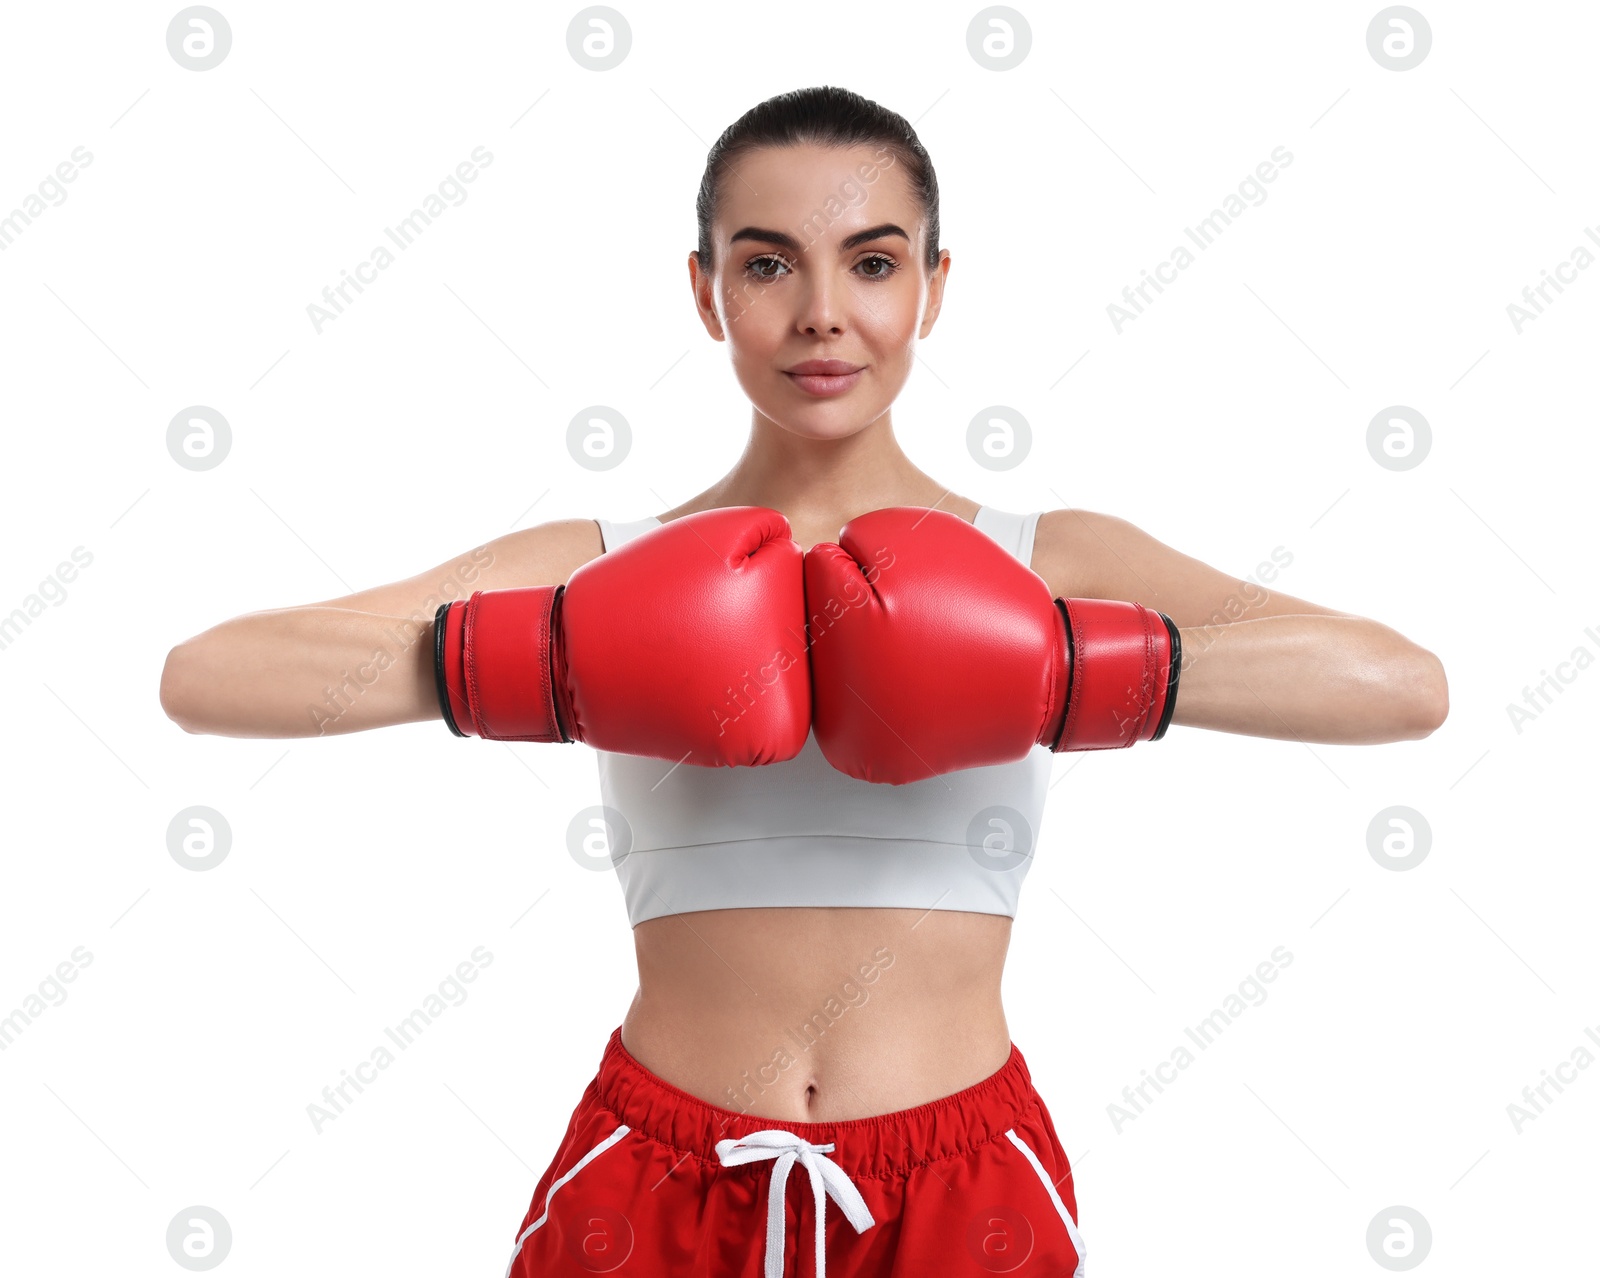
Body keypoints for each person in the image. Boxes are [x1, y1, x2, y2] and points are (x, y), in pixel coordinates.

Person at [161, 85, 1448, 1277]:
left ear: (934, 289)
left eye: (873, 262)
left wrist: (1066, 668)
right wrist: (541, 663)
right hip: (654, 1175)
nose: (821, 311)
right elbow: (207, 675)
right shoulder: (598, 567)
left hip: (963, 1185)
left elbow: (1401, 685)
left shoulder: (1046, 558)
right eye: (766, 262)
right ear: (705, 292)